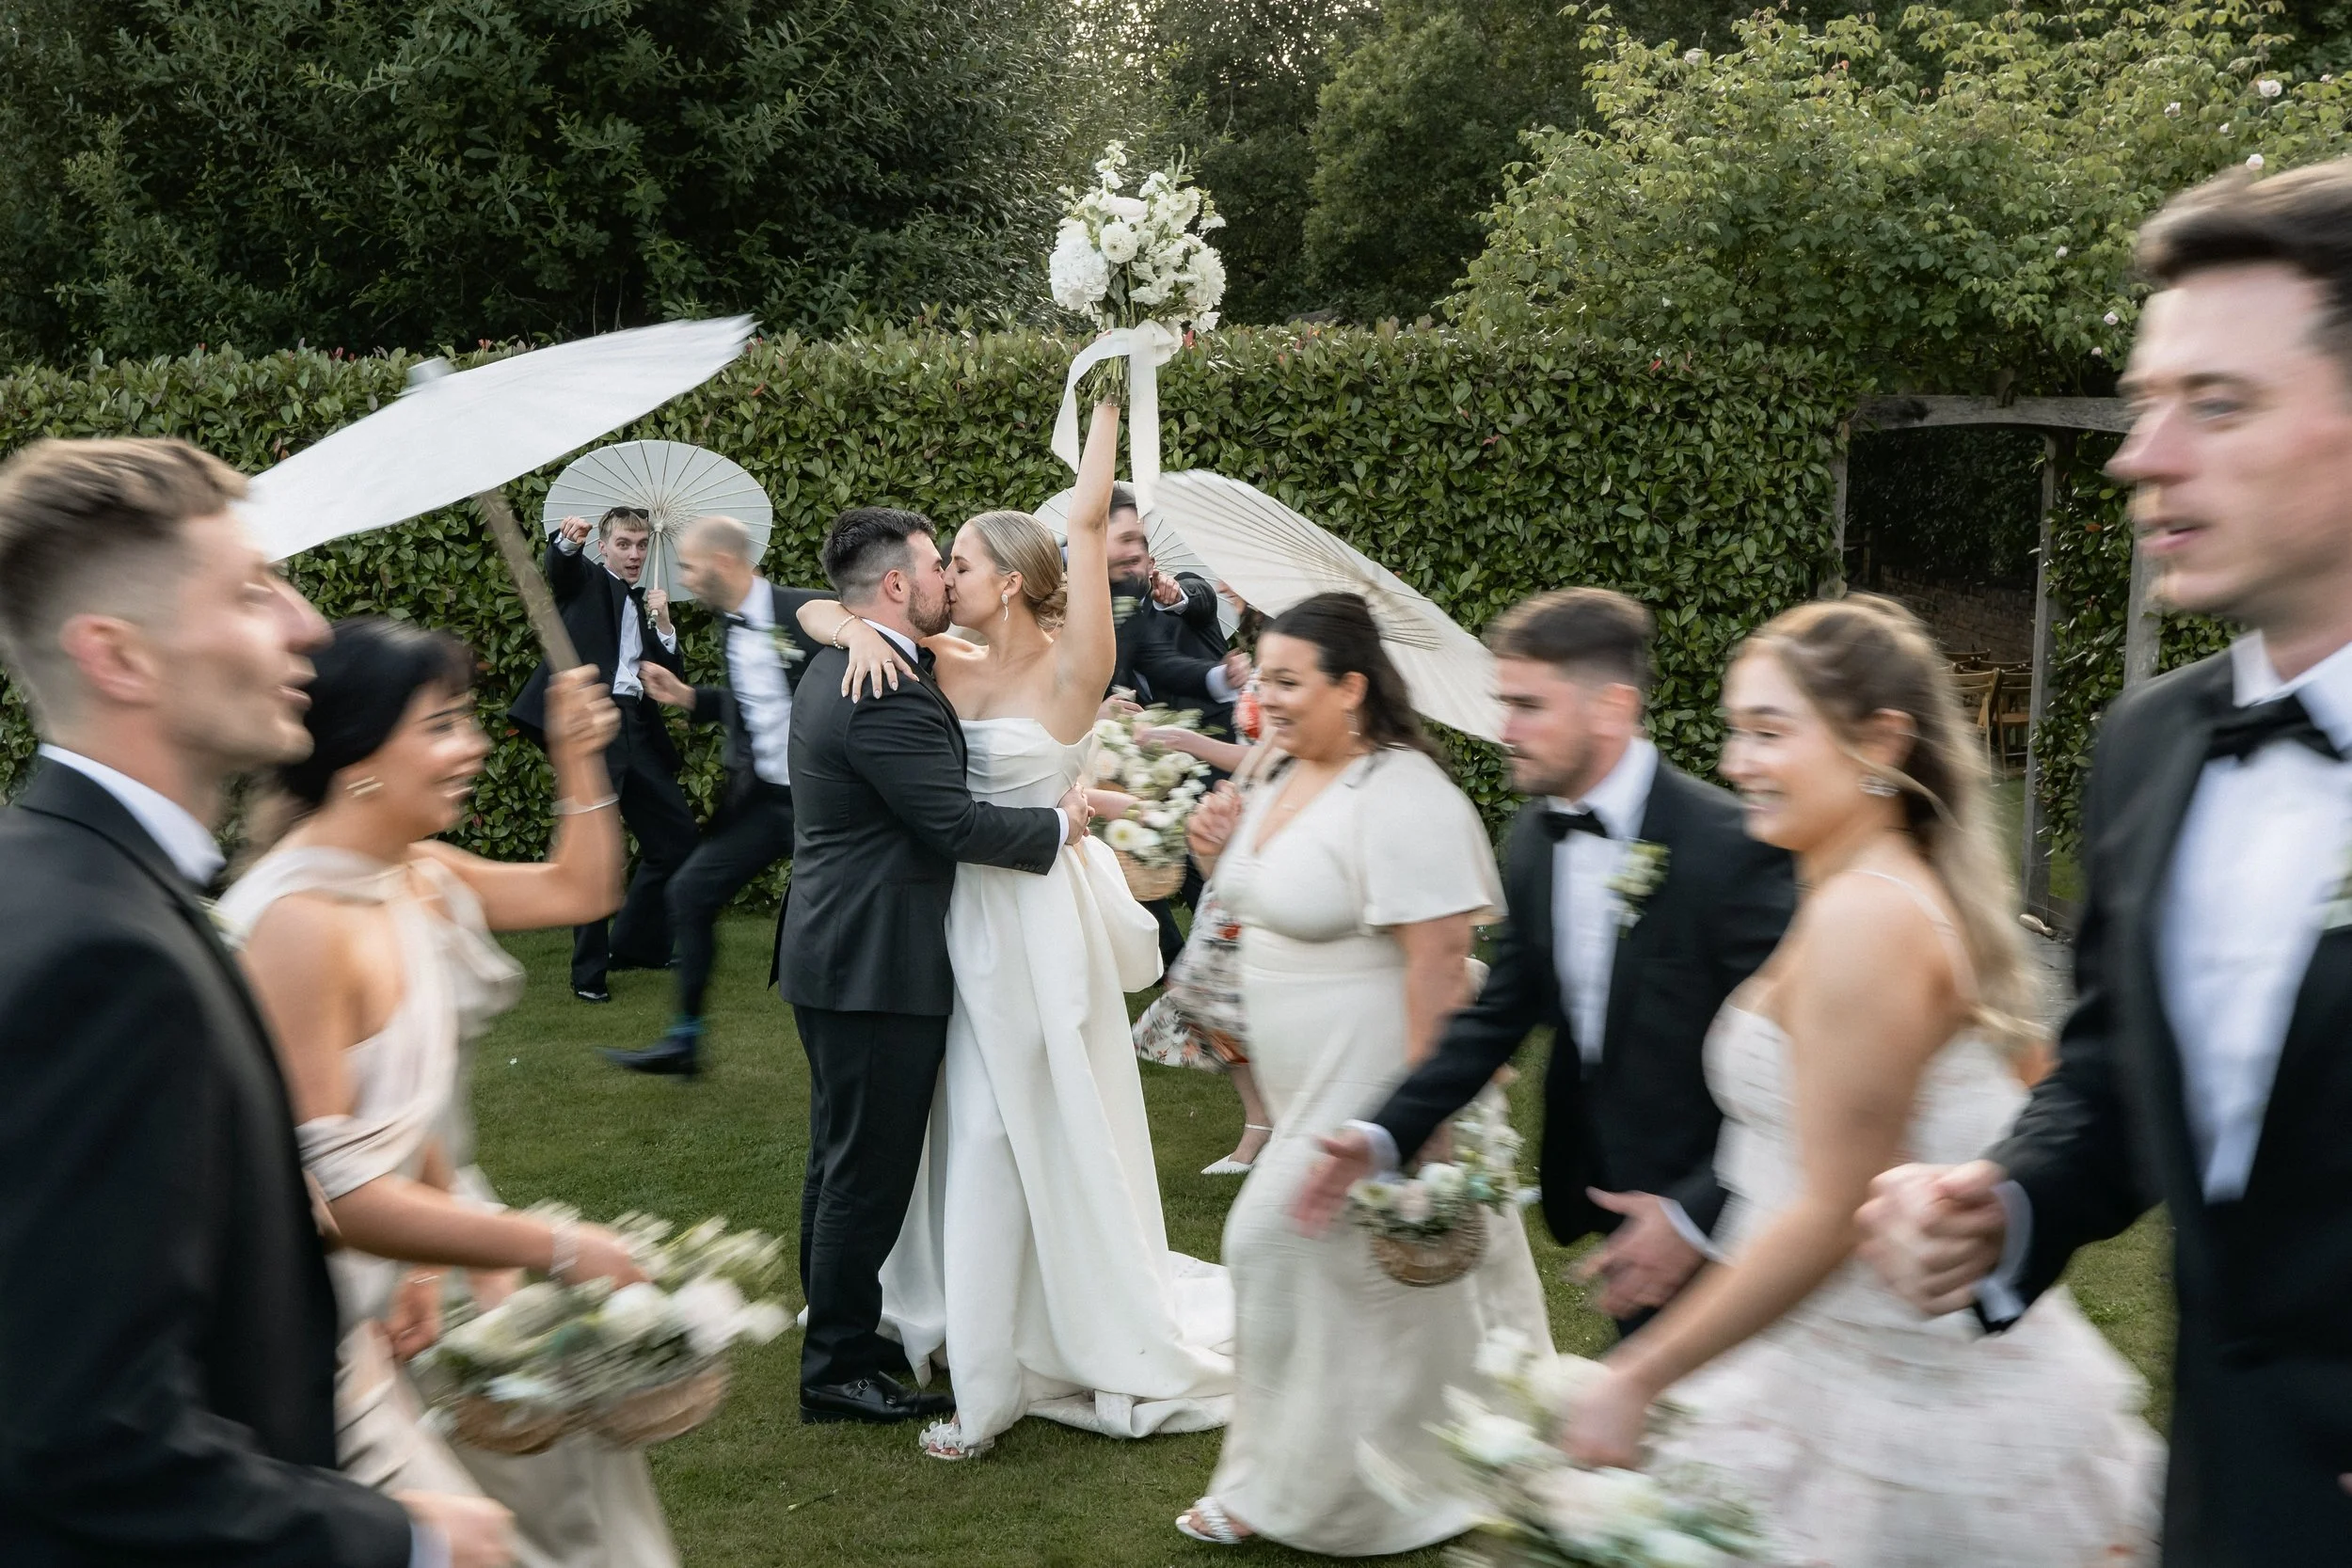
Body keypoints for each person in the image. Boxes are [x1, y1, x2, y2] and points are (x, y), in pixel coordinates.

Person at [1859, 160, 2352, 1565]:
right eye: (2147, 404)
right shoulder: (2151, 744)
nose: (2143, 456)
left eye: (2219, 402)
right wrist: (2006, 1195)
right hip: (2223, 1506)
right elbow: (2121, 1073)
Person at [1553, 596, 2161, 1565]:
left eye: (1767, 730)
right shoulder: (1865, 887)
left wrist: (1637, 1374)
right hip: (1817, 1354)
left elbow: (1835, 1204)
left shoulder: (1866, 916)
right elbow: (2020, 1094)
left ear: (1878, 739)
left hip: (1896, 1406)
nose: (1735, 762)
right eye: (1732, 730)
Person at [0, 438, 511, 1568]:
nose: (308, 626)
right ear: (117, 657)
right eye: (251, 591)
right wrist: (404, 1539)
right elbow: (76, 1435)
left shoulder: (64, 871)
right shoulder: (101, 955)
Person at [803, 402, 1236, 1460]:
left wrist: (1108, 398)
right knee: (957, 1127)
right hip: (952, 921)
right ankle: (961, 1316)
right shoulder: (931, 658)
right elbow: (816, 604)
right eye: (937, 560)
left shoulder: (1072, 665)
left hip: (1035, 924)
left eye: (960, 557)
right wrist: (849, 621)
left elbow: (1088, 527)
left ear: (1007, 578)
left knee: (1020, 1124)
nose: (943, 570)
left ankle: (1013, 1360)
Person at [221, 616, 681, 1568]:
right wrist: (559, 1245)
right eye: (441, 724)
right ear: (355, 757)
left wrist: (579, 757)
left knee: (564, 1490)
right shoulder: (297, 923)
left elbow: (580, 889)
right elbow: (329, 1190)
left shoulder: (411, 873)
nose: (471, 745)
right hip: (332, 1304)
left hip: (435, 1233)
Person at [1295, 589, 1796, 1331]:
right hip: (1606, 1189)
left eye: (1530, 706)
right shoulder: (1534, 837)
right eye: (1505, 703)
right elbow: (1502, 1009)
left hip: (1733, 1213)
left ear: (1612, 708)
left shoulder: (1733, 850)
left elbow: (1798, 1076)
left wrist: (1695, 1215)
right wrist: (1383, 1133)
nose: (1508, 730)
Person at [1175, 592, 1552, 1555]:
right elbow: (1268, 899)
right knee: (1394, 1283)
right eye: (1262, 676)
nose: (1266, 695)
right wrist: (1217, 851)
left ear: (1353, 686)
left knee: (1266, 1244)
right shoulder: (1282, 772)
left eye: (1288, 679)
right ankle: (1463, 1447)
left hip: (1373, 1072)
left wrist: (1424, 1113)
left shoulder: (1405, 793)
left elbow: (1436, 957)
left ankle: (1272, 1483)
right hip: (1305, 1077)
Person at [774, 493, 1091, 1431]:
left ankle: (846, 1333)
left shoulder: (847, 653)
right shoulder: (881, 690)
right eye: (937, 565)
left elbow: (801, 599)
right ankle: (835, 1366)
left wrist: (833, 614)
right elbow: (952, 824)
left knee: (842, 1161)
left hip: (839, 948)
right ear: (899, 583)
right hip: (874, 958)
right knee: (863, 1170)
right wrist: (1060, 823)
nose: (950, 580)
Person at [609, 515, 826, 1076]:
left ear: (723, 563)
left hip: (821, 804)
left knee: (834, 920)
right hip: (762, 804)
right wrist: (689, 697)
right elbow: (753, 704)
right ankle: (685, 1041)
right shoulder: (730, 625)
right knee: (689, 892)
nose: (683, 576)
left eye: (688, 565)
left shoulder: (807, 613)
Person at [510, 507, 695, 1005]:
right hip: (591, 724)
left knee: (676, 839)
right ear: (604, 547)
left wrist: (666, 624)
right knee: (593, 847)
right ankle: (588, 974)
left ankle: (638, 945)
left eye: (641, 545)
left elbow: (668, 674)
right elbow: (560, 570)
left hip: (636, 725)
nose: (635, 554)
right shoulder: (587, 579)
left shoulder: (647, 601)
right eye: (625, 545)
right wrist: (566, 542)